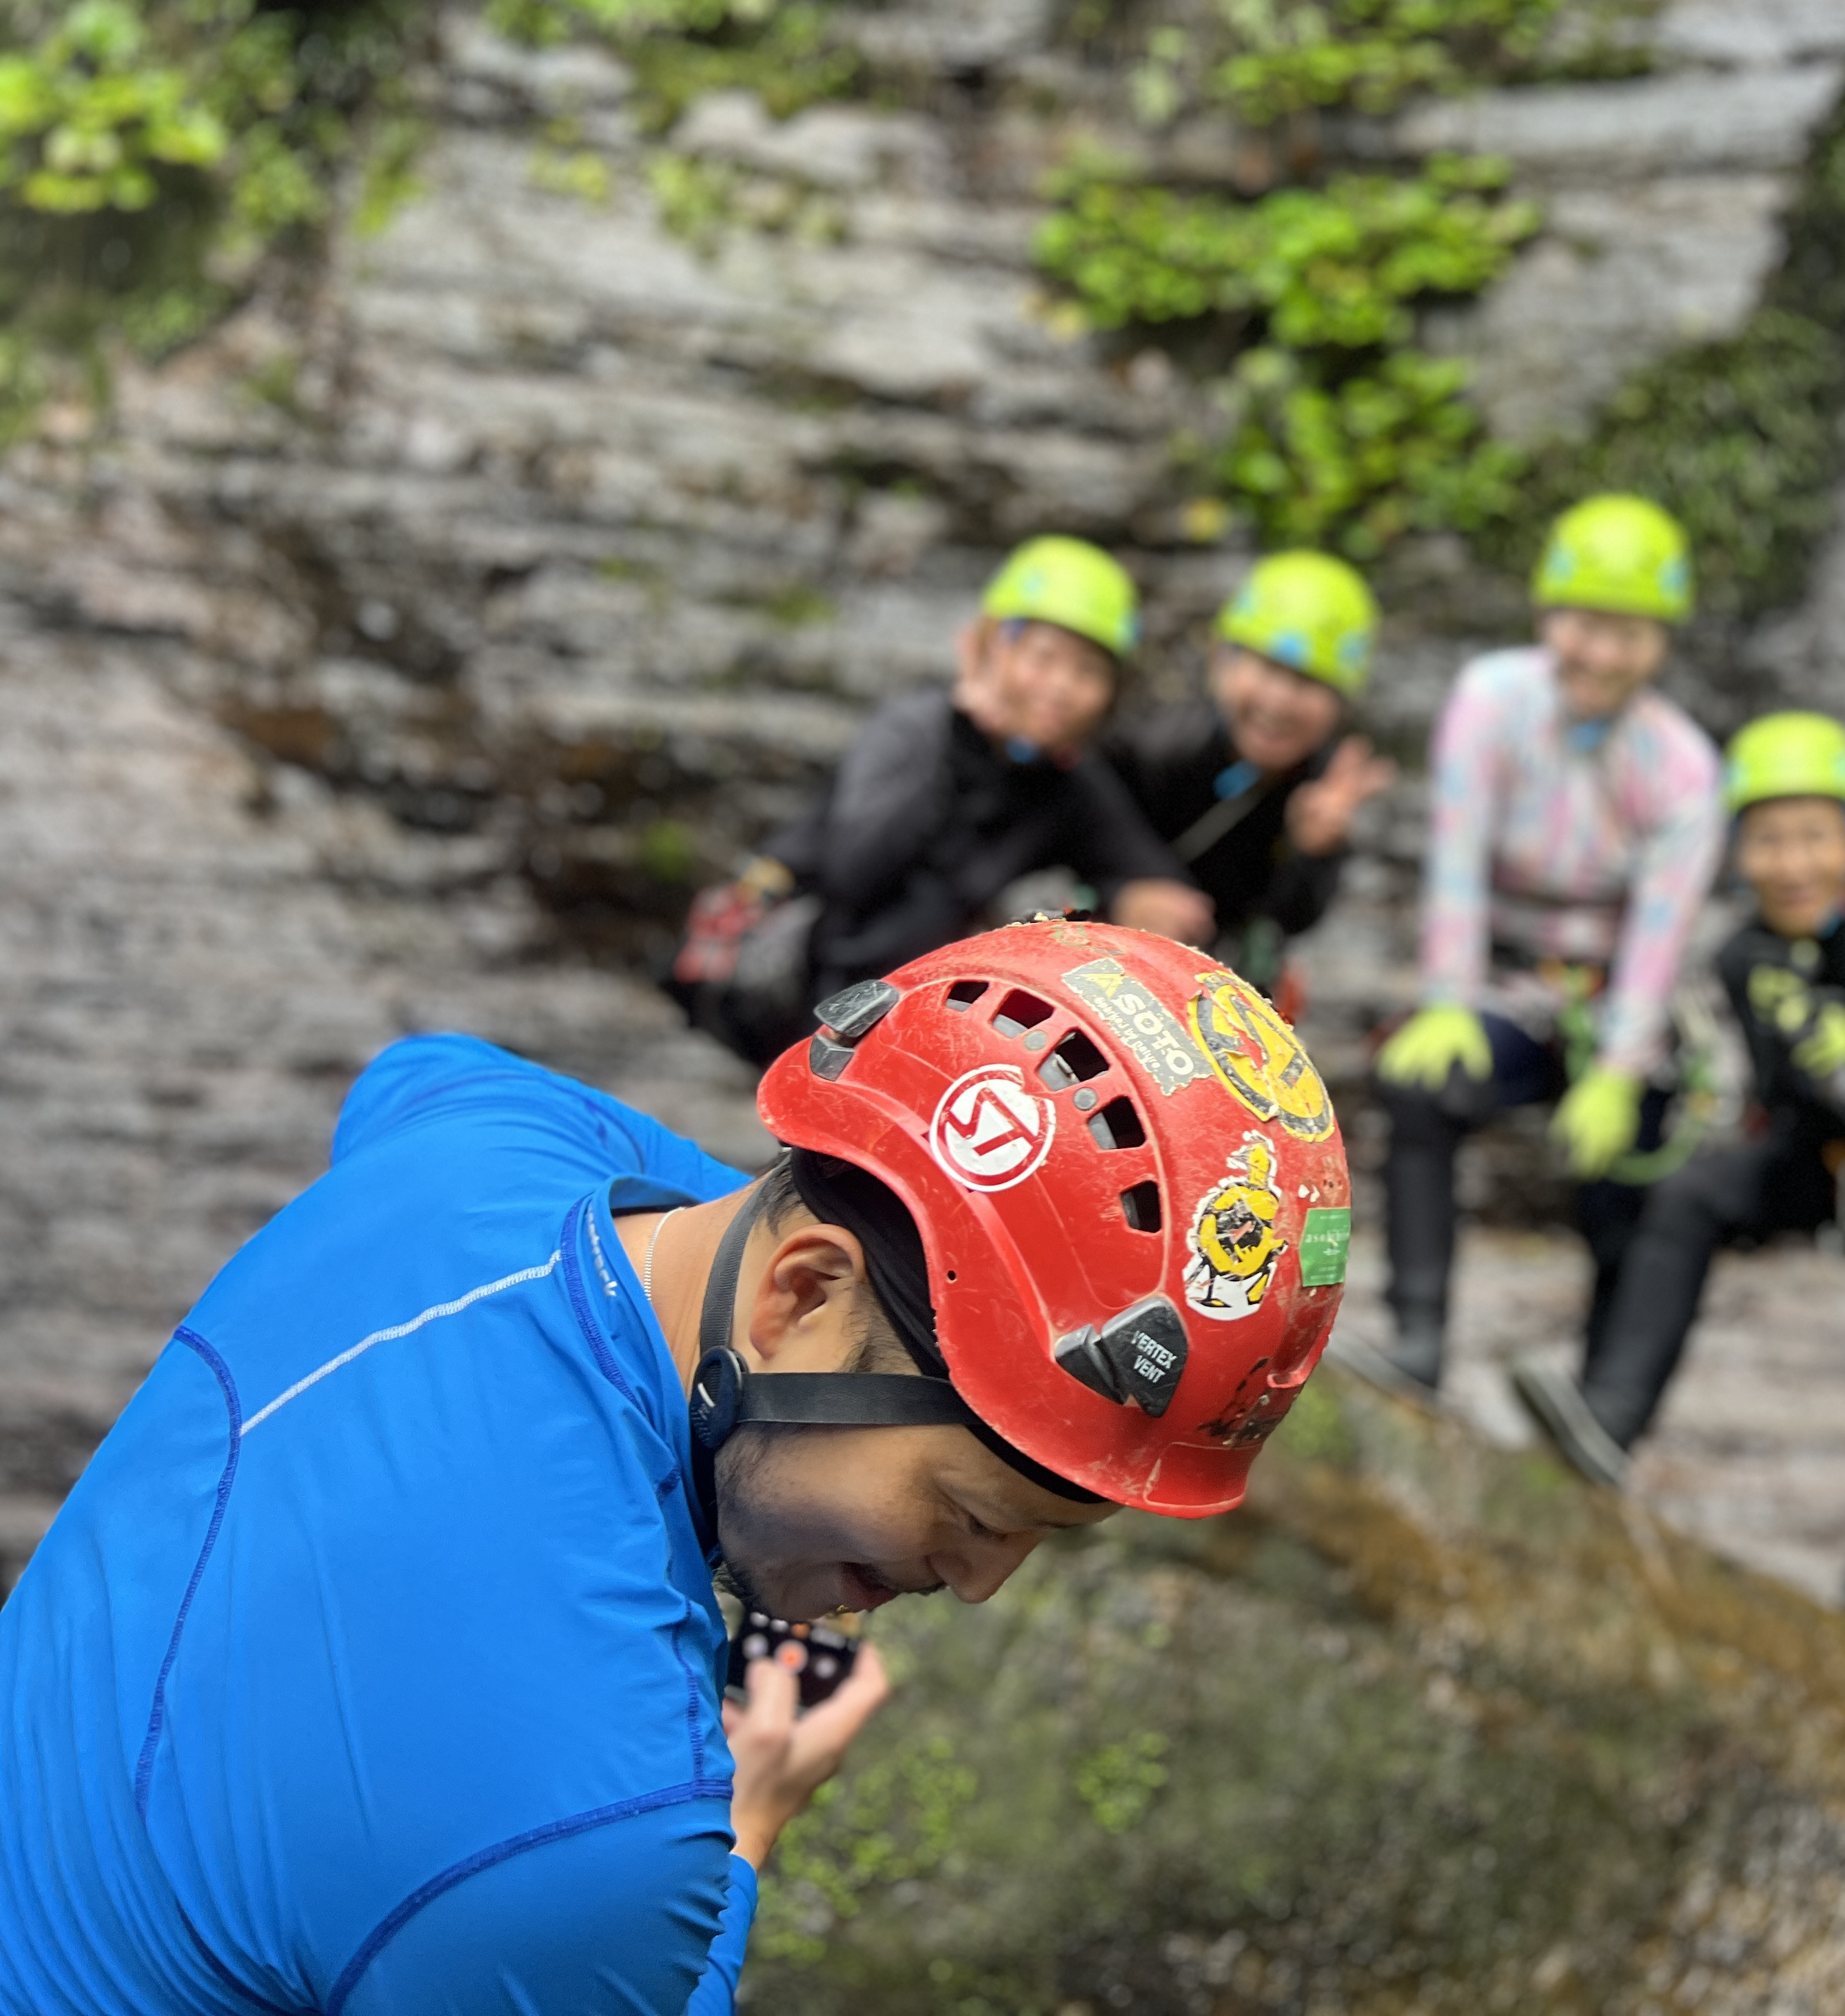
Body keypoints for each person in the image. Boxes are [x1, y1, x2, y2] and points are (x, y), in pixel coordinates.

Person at [0, 919, 1354, 2008]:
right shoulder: (604, 1838)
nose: (984, 1587)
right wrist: (745, 1834)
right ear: (799, 1294)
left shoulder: (472, 1158)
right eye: (969, 1512)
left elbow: (422, 1068)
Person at [1511, 713, 1845, 1651]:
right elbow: (1785, 1100)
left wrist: (1832, 1060)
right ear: (1737, 851)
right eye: (1768, 839)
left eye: (1813, 836)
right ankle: (1609, 1422)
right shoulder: (1744, 955)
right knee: (1689, 1195)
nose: (1792, 862)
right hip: (1840, 1158)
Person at [1370, 494, 1724, 1392]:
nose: (1601, 654)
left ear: (1663, 643)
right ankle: (1416, 1337)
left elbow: (1662, 931)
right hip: (1503, 987)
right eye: (1585, 625)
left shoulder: (1683, 767)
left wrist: (1618, 1064)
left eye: (1630, 634)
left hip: (1616, 1000)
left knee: (1632, 1157)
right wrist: (1447, 998)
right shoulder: (1490, 700)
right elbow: (1454, 854)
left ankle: (1599, 1395)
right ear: (1547, 617)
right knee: (1421, 1089)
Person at [676, 537, 1210, 1061]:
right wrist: (961, 750)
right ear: (990, 647)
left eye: (1088, 672)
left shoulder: (1067, 782)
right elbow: (856, 872)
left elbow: (1155, 880)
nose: (1062, 688)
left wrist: (1139, 910)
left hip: (922, 1025)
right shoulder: (913, 729)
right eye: (1043, 658)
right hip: (819, 994)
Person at [1103, 549, 1396, 997]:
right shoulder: (1154, 750)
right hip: (1110, 958)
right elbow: (1074, 843)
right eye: (1268, 668)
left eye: (1307, 682)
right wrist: (1126, 893)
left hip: (1217, 981)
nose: (1279, 701)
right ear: (1222, 659)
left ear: (1340, 704)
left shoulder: (1323, 787)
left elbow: (1291, 920)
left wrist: (1313, 853)